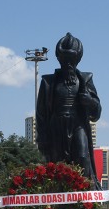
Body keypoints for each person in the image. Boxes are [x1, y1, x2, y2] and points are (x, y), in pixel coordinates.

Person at [35, 32, 102, 187]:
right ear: (59, 59)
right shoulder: (48, 82)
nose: (68, 64)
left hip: (78, 125)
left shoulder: (85, 79)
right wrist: (42, 137)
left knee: (82, 157)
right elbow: (41, 113)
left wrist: (90, 101)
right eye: (64, 59)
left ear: (77, 59)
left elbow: (96, 113)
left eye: (71, 59)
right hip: (56, 126)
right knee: (57, 164)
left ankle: (86, 192)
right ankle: (59, 196)